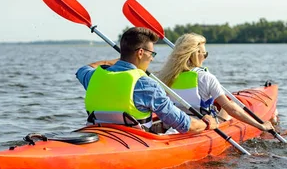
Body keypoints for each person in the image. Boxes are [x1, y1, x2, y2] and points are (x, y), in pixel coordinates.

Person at [76, 27, 217, 134]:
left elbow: (83, 69)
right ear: (141, 53)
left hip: (100, 135)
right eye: (152, 53)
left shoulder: (92, 77)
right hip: (134, 142)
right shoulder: (146, 85)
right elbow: (183, 124)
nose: (152, 58)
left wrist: (121, 59)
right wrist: (206, 123)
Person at [158, 33, 275, 133]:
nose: (205, 58)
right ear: (195, 55)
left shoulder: (166, 76)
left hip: (174, 125)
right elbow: (231, 109)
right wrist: (260, 126)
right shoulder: (206, 77)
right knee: (229, 105)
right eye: (205, 54)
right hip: (201, 126)